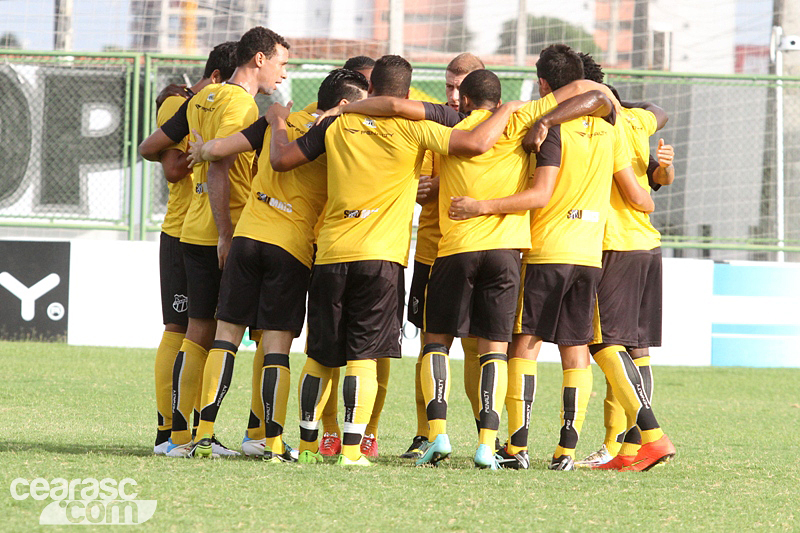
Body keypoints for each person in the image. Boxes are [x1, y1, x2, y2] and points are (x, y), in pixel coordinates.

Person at [266, 54, 522, 466]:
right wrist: (508, 108)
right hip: (381, 257)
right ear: (406, 94)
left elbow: (283, 159)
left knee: (320, 355)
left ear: (371, 91)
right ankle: (352, 450)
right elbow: (475, 142)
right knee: (363, 357)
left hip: (330, 252)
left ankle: (310, 447)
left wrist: (285, 121)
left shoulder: (336, 123)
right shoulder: (416, 127)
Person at [448, 44, 654, 471]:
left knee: (525, 345)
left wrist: (481, 205)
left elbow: (541, 193)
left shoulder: (549, 125)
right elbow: (640, 196)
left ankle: (518, 445)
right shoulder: (609, 128)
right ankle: (566, 450)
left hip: (547, 249)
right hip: (589, 254)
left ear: (543, 84)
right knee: (576, 349)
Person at [186, 68, 369, 463]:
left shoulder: (278, 120)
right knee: (275, 349)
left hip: (247, 238)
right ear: (343, 105)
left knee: (226, 337)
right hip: (290, 248)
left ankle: (204, 435)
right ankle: (270, 442)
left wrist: (200, 151)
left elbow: (220, 149)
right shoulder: (337, 136)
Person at [139, 26, 290, 458]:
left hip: (189, 227)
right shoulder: (240, 103)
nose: (283, 72)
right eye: (280, 62)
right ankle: (206, 437)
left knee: (194, 333)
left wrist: (194, 161)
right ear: (258, 59)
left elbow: (152, 146)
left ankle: (176, 436)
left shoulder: (202, 98)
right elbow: (221, 165)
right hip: (221, 231)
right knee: (213, 334)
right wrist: (226, 231)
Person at [568, 54, 676, 471]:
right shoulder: (634, 120)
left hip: (613, 245)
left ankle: (650, 436)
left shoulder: (600, 127)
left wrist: (649, 185)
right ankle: (625, 452)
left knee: (603, 342)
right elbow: (658, 112)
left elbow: (637, 192)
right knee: (637, 347)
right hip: (648, 244)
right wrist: (659, 170)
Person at [151, 41, 239, 456]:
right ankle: (169, 429)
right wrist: (204, 151)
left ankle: (188, 431)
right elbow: (168, 165)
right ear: (221, 76)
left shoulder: (214, 104)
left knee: (205, 328)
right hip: (183, 229)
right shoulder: (179, 103)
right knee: (182, 327)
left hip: (206, 226)